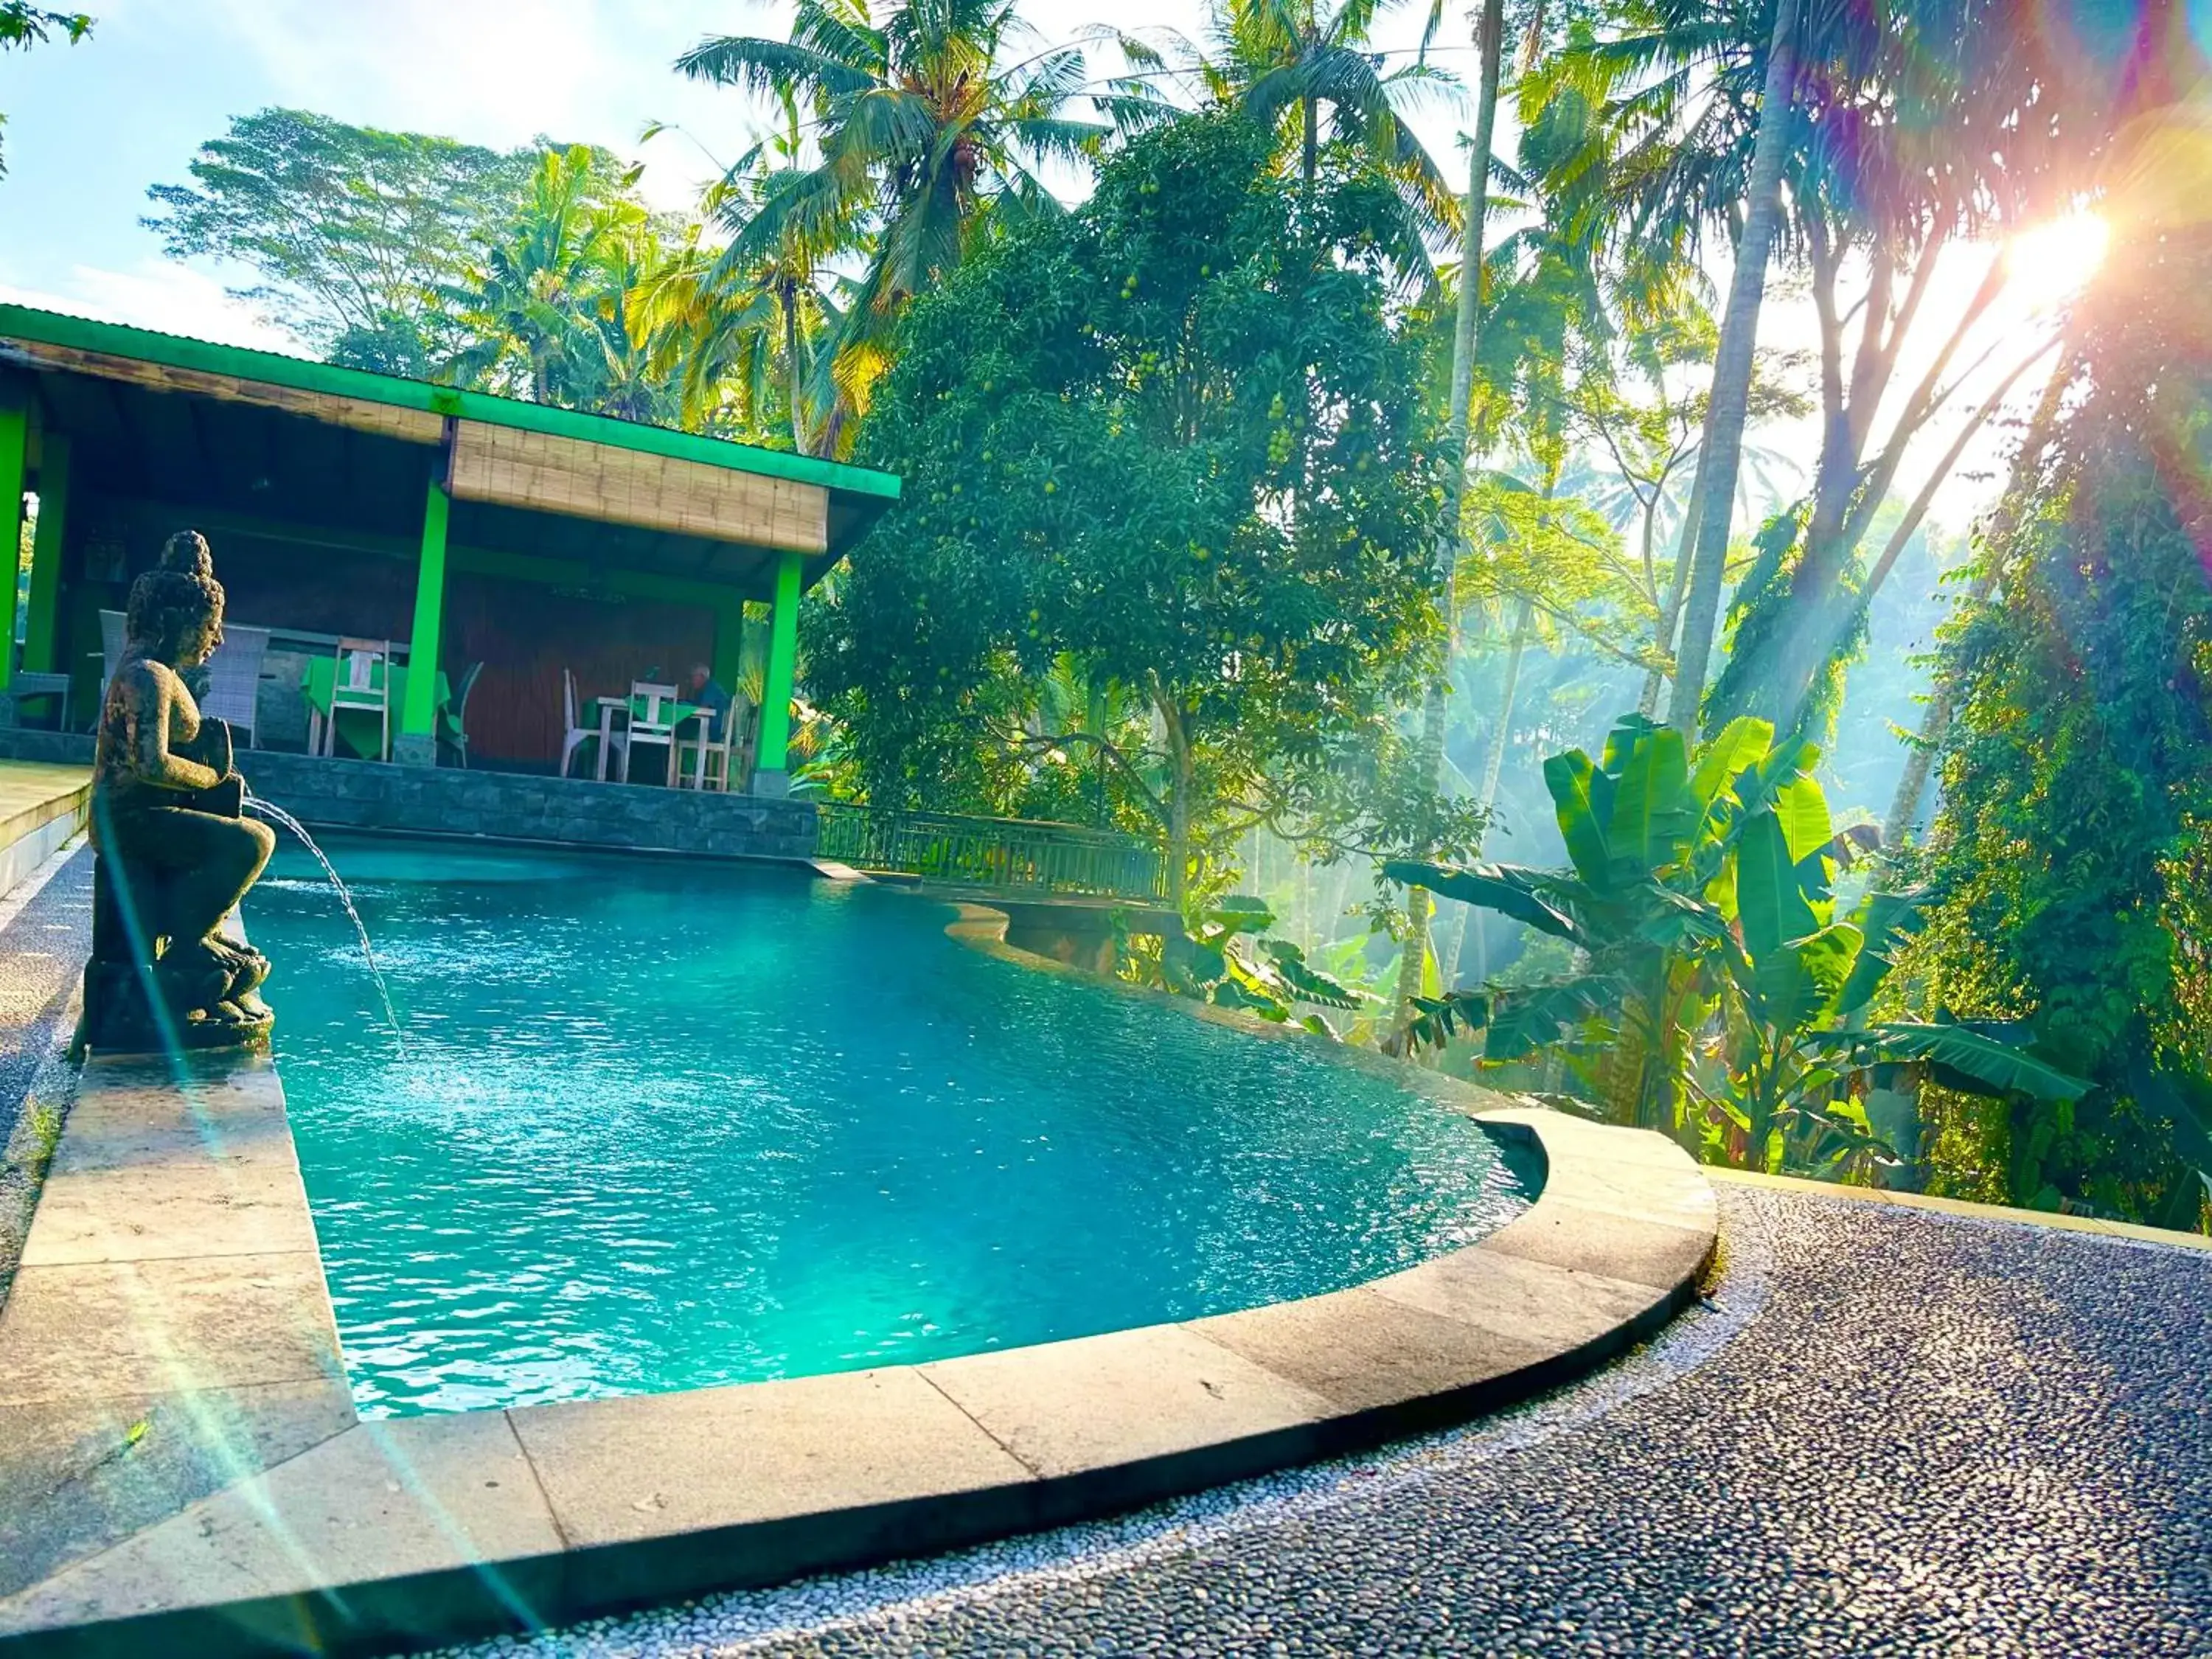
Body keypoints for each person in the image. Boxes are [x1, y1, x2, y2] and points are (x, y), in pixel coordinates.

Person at [89, 529, 275, 1035]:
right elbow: (151, 765)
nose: (216, 639)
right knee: (255, 841)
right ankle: (188, 942)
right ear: (175, 620)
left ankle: (200, 936)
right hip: (128, 820)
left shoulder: (161, 673)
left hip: (145, 815)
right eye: (209, 626)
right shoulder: (148, 674)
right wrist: (211, 774)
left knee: (238, 833)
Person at [686, 662, 733, 742]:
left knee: (681, 731)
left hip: (715, 731)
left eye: (693, 677)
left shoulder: (710, 687)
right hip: (712, 729)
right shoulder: (703, 690)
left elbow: (703, 709)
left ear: (702, 677)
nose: (691, 681)